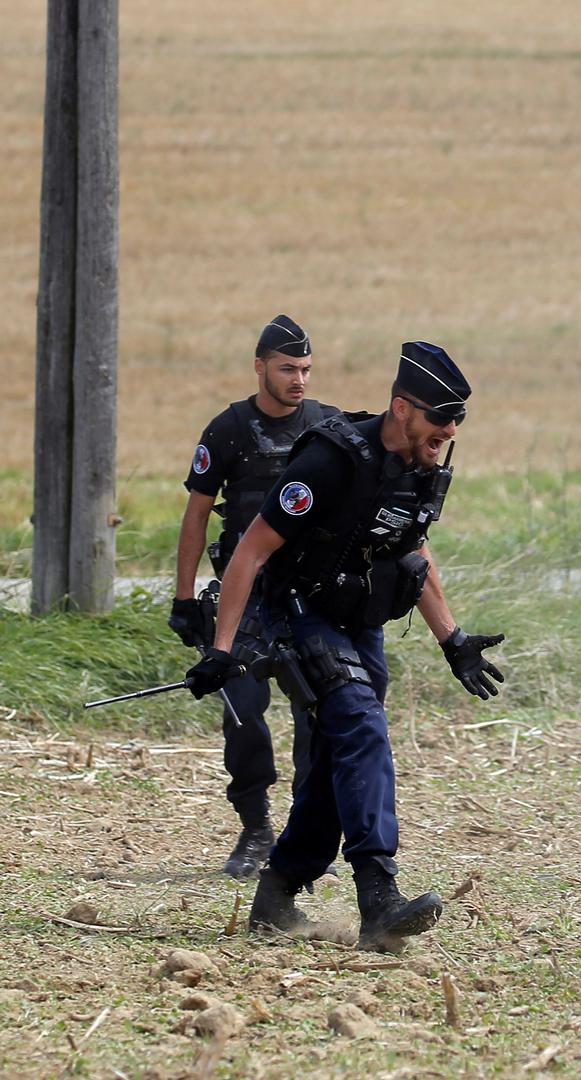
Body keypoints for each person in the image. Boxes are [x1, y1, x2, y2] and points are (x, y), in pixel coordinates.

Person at [184, 342, 506, 950]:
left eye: (452, 431)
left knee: (339, 761)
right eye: (437, 427)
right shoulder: (330, 460)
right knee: (361, 727)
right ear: (402, 409)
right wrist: (222, 650)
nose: (445, 440)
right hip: (298, 615)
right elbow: (251, 551)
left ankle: (277, 890)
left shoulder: (422, 462)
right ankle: (378, 894)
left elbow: (414, 551)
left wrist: (454, 640)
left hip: (360, 622)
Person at [169, 314, 338, 879]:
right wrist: (184, 598)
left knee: (320, 719)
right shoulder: (229, 429)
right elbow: (196, 516)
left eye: (306, 370)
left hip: (308, 600)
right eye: (288, 368)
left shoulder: (329, 426)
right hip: (244, 600)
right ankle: (255, 829)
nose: (299, 380)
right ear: (260, 367)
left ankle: (305, 837)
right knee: (242, 714)